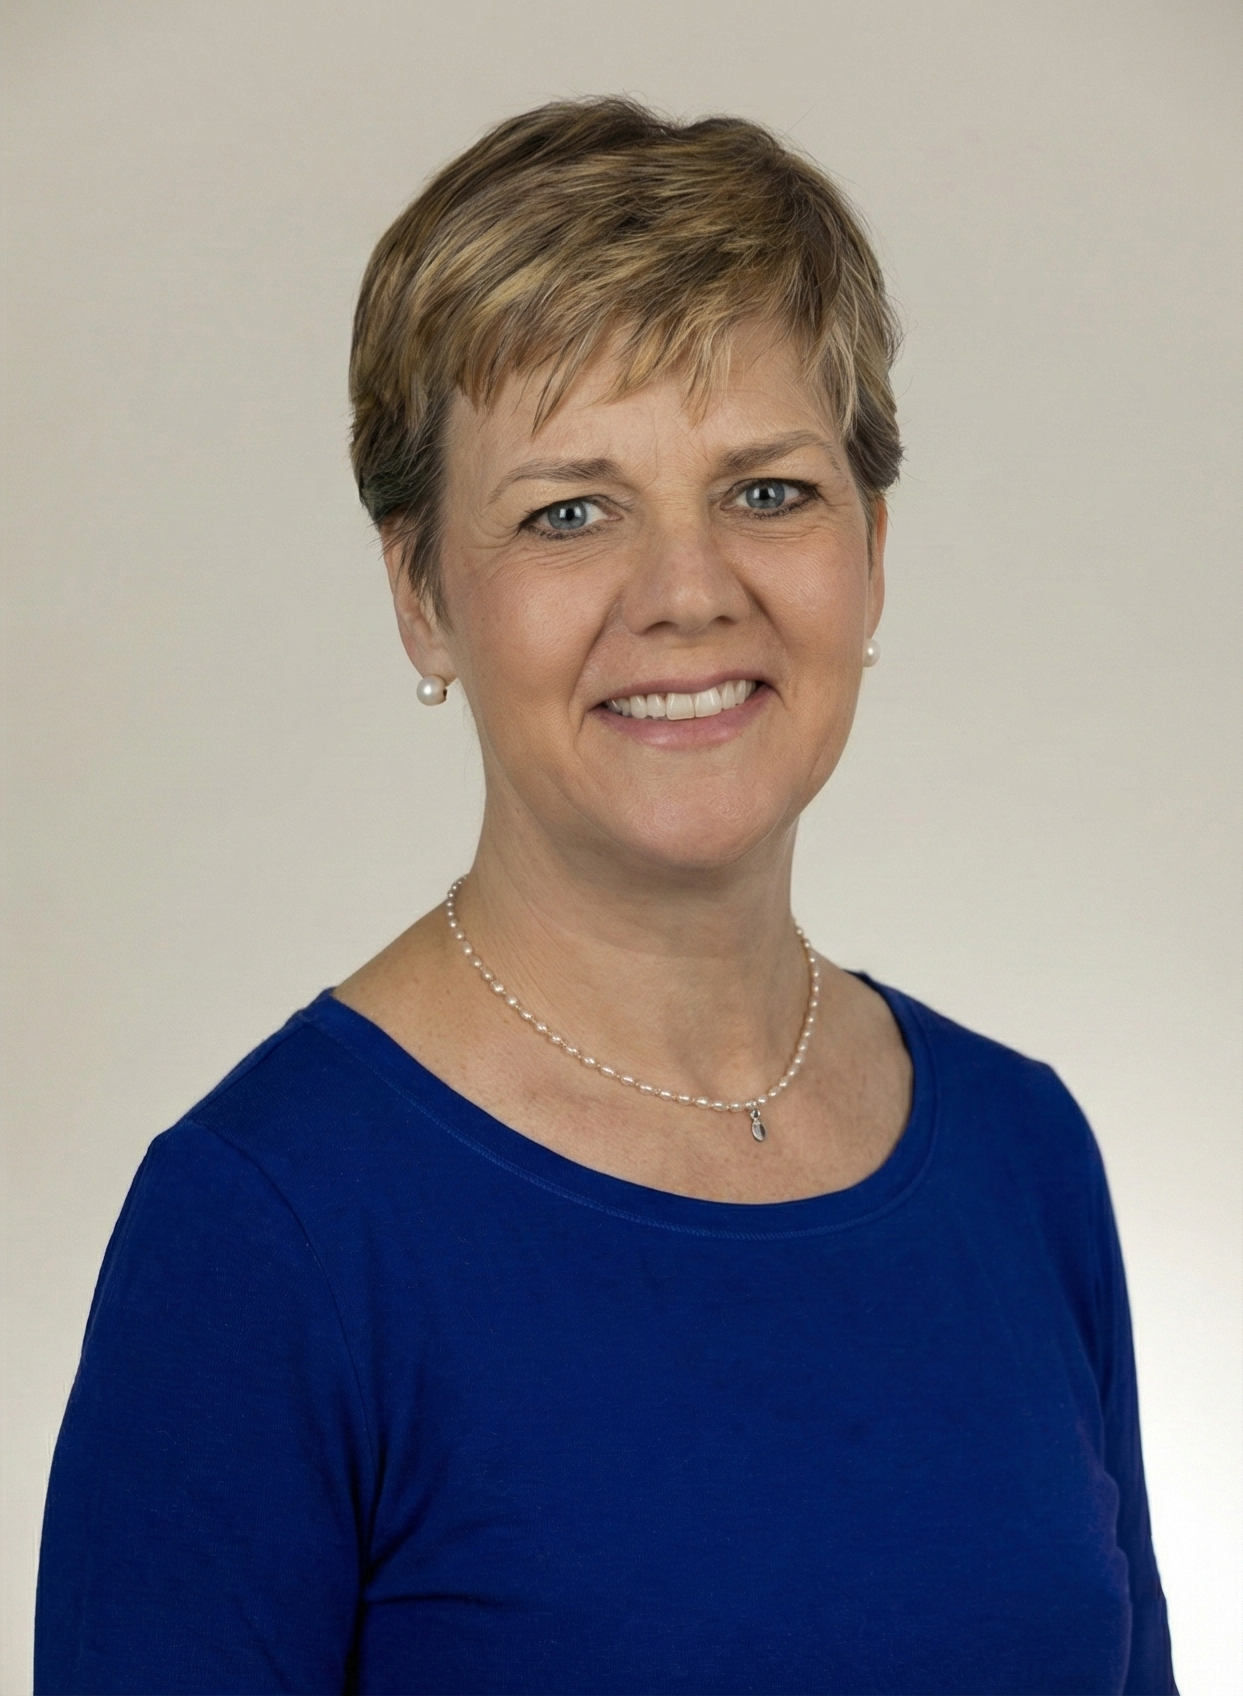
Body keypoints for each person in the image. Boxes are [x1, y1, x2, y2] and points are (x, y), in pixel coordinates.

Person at [34, 98, 1176, 1695]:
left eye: (768, 490)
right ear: (422, 595)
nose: (689, 589)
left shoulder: (1023, 1156)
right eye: (569, 510)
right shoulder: (264, 1237)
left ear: (874, 550)